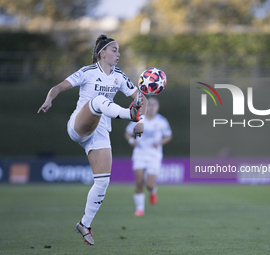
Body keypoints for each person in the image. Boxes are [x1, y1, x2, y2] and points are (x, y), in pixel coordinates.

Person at [37, 34, 147, 245]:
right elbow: (58, 87)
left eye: (119, 50)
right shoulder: (87, 72)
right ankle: (127, 115)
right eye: (114, 50)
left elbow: (141, 98)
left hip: (101, 132)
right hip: (79, 125)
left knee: (103, 181)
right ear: (102, 53)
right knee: (98, 101)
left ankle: (84, 224)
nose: (119, 54)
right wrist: (49, 99)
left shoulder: (120, 76)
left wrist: (141, 120)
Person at [125, 97, 172, 216]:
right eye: (149, 105)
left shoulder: (162, 121)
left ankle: (153, 191)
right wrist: (132, 141)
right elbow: (127, 133)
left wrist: (159, 143)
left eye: (154, 105)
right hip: (140, 153)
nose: (151, 107)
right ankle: (140, 209)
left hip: (154, 155)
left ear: (157, 107)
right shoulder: (139, 118)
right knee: (139, 182)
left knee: (149, 184)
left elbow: (168, 136)